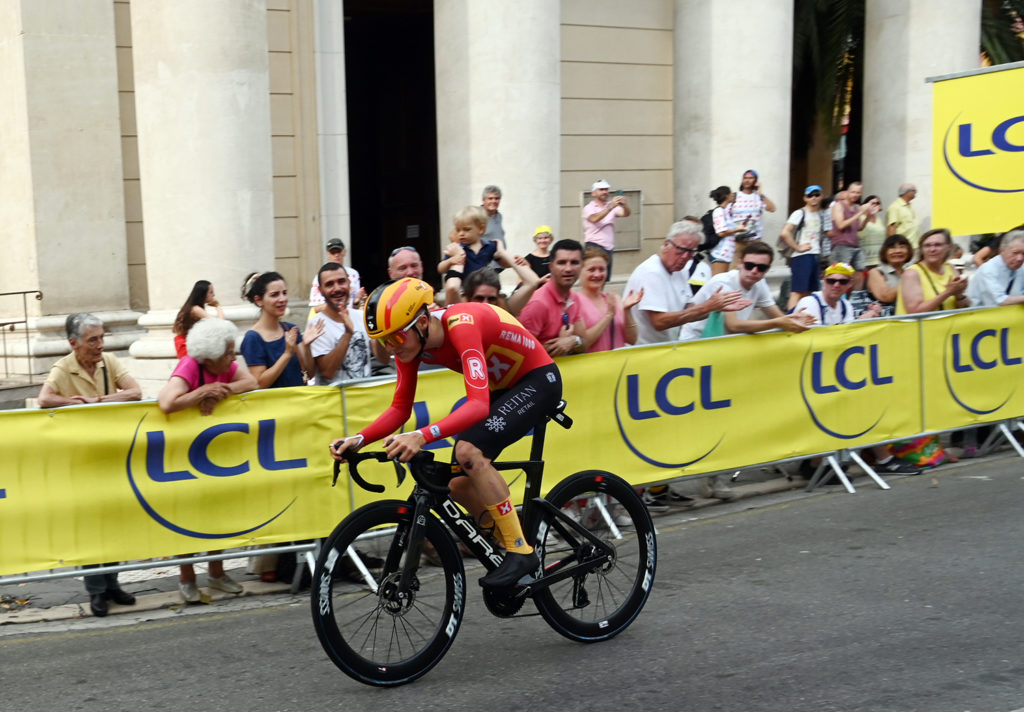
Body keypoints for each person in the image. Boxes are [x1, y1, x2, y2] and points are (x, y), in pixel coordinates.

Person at [330, 278, 562, 588]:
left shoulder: (461, 325)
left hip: (538, 380)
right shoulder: (412, 343)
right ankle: (515, 545)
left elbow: (478, 405)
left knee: (468, 452)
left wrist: (421, 436)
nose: (391, 347)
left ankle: (521, 552)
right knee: (456, 484)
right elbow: (399, 409)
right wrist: (357, 439)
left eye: (396, 337)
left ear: (422, 322)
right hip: (503, 389)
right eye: (384, 340)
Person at [38, 312, 143, 617]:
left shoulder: (109, 362)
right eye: (93, 339)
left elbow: (135, 392)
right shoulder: (63, 368)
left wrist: (97, 401)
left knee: (112, 521)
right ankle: (96, 591)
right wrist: (73, 402)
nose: (100, 345)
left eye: (102, 338)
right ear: (74, 343)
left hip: (110, 454)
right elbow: (45, 399)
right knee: (90, 526)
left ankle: (113, 584)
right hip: (81, 460)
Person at [157, 318, 259, 601]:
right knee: (188, 516)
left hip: (216, 452)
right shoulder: (190, 366)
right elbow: (166, 402)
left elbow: (251, 381)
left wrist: (222, 391)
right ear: (210, 358)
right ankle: (186, 579)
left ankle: (216, 574)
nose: (233, 357)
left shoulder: (224, 368)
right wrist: (201, 392)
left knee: (217, 511)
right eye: (228, 353)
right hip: (184, 452)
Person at [624, 219, 747, 345]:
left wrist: (715, 308)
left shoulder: (680, 270)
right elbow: (659, 322)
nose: (685, 257)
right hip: (641, 351)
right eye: (681, 250)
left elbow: (687, 310)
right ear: (667, 244)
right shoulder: (652, 272)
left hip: (665, 348)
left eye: (691, 252)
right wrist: (707, 306)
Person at [681, 242, 816, 340]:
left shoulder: (759, 283)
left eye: (761, 268)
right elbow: (733, 326)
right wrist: (779, 323)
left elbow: (776, 316)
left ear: (767, 270)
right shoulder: (723, 282)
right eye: (749, 265)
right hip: (695, 342)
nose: (754, 271)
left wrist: (792, 319)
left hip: (721, 344)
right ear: (740, 263)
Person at [239, 271, 323, 388]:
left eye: (284, 293)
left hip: (299, 402)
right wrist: (287, 354)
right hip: (274, 404)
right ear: (259, 301)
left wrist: (307, 346)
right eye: (274, 295)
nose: (282, 299)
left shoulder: (291, 329)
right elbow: (259, 383)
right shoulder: (253, 338)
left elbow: (310, 373)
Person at [518, 239, 587, 356]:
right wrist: (558, 346)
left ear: (582, 266)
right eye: (562, 262)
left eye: (574, 262)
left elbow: (585, 343)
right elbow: (521, 354)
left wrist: (574, 341)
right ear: (551, 266)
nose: (568, 269)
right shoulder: (537, 304)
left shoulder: (574, 298)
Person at [309, 263, 373, 385]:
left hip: (366, 400)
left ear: (349, 284)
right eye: (329, 284)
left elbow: (384, 359)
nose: (337, 288)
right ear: (320, 291)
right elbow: (327, 372)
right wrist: (348, 334)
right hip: (335, 402)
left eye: (341, 281)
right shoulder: (316, 325)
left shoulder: (361, 316)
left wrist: (376, 333)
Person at [575, 246, 642, 352]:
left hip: (620, 365)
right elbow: (582, 345)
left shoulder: (614, 298)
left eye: (601, 269)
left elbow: (632, 340)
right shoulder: (575, 302)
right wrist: (609, 315)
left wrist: (626, 310)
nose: (597, 274)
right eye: (592, 270)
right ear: (580, 272)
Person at [896, 228, 970, 314]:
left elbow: (965, 308)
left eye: (938, 245)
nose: (932, 249)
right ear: (921, 249)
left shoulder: (950, 268)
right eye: (927, 245)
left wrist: (959, 295)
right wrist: (948, 293)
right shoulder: (912, 273)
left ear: (949, 248)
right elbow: (914, 312)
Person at [778, 185, 826, 310]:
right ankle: (791, 317)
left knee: (810, 292)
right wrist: (797, 247)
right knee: (798, 291)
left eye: (816, 195)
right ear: (805, 198)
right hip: (801, 256)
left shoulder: (821, 215)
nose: (814, 198)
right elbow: (785, 232)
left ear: (821, 196)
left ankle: (805, 317)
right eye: (810, 195)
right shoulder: (799, 213)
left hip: (815, 254)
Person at [438, 206, 515, 281]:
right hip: (463, 290)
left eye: (466, 229)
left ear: (481, 229)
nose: (461, 233)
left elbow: (505, 264)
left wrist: (513, 259)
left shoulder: (490, 246)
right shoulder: (456, 248)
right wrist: (450, 261)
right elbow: (440, 269)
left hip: (482, 288)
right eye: (458, 230)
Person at [793, 262, 882, 325]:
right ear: (824, 282)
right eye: (831, 281)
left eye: (843, 281)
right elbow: (815, 335)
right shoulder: (809, 303)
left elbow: (849, 331)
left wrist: (866, 317)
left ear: (850, 284)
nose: (836, 285)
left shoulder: (846, 305)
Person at [446, 264, 542, 318]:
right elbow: (452, 288)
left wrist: (504, 254)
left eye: (491, 299)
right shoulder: (459, 312)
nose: (486, 303)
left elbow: (533, 282)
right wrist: (458, 262)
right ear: (468, 298)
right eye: (479, 298)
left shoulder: (504, 311)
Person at [582, 179, 630, 275]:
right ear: (593, 193)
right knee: (593, 276)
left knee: (605, 277)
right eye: (601, 189)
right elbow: (595, 218)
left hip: (608, 247)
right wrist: (610, 207)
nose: (605, 192)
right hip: (594, 246)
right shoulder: (589, 207)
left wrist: (625, 206)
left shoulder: (611, 205)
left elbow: (625, 214)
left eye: (606, 189)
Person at [966, 229, 1024, 307]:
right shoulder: (988, 270)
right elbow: (1000, 301)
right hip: (983, 316)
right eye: (1015, 253)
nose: (1020, 258)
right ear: (1002, 250)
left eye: (1023, 253)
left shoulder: (1021, 269)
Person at [829, 182, 871, 289]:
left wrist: (868, 216)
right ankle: (840, 299)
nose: (855, 195)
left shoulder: (857, 207)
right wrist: (860, 214)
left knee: (859, 271)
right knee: (841, 274)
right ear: (847, 192)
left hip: (855, 245)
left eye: (858, 193)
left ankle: (856, 297)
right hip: (841, 245)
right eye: (853, 192)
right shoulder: (838, 205)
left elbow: (859, 228)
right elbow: (841, 225)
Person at [172, 280, 225, 358]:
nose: (213, 295)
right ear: (203, 294)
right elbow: (220, 323)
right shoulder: (195, 309)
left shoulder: (192, 308)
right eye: (211, 292)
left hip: (190, 346)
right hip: (189, 349)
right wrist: (218, 306)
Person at [865, 234, 914, 317]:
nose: (898, 251)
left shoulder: (911, 270)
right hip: (885, 322)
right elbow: (885, 296)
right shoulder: (876, 272)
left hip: (910, 318)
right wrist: (909, 280)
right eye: (892, 248)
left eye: (902, 247)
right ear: (884, 252)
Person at [309, 239, 363, 312]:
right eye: (333, 252)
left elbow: (355, 306)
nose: (336, 255)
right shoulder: (320, 277)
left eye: (339, 251)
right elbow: (316, 308)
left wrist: (356, 301)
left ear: (344, 252)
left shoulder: (354, 274)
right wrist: (344, 299)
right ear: (328, 255)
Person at [707, 185, 751, 275]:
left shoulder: (725, 211)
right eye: (730, 193)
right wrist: (737, 230)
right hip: (720, 254)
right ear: (726, 196)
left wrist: (739, 228)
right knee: (718, 281)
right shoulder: (719, 211)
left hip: (726, 255)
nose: (732, 195)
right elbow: (721, 233)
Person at [730, 169, 776, 243]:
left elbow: (772, 209)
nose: (747, 180)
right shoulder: (734, 196)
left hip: (755, 240)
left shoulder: (759, 197)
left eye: (751, 178)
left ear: (756, 181)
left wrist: (760, 194)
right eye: (745, 178)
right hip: (737, 240)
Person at [857, 194, 887, 269]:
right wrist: (869, 216)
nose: (875, 205)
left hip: (878, 257)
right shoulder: (860, 218)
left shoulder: (879, 219)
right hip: (865, 257)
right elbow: (860, 233)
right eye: (872, 203)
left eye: (877, 203)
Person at [481, 184, 505, 249]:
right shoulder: (476, 214)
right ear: (483, 200)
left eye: (496, 198)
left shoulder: (499, 216)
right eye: (490, 198)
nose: (493, 201)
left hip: (499, 257)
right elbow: (454, 235)